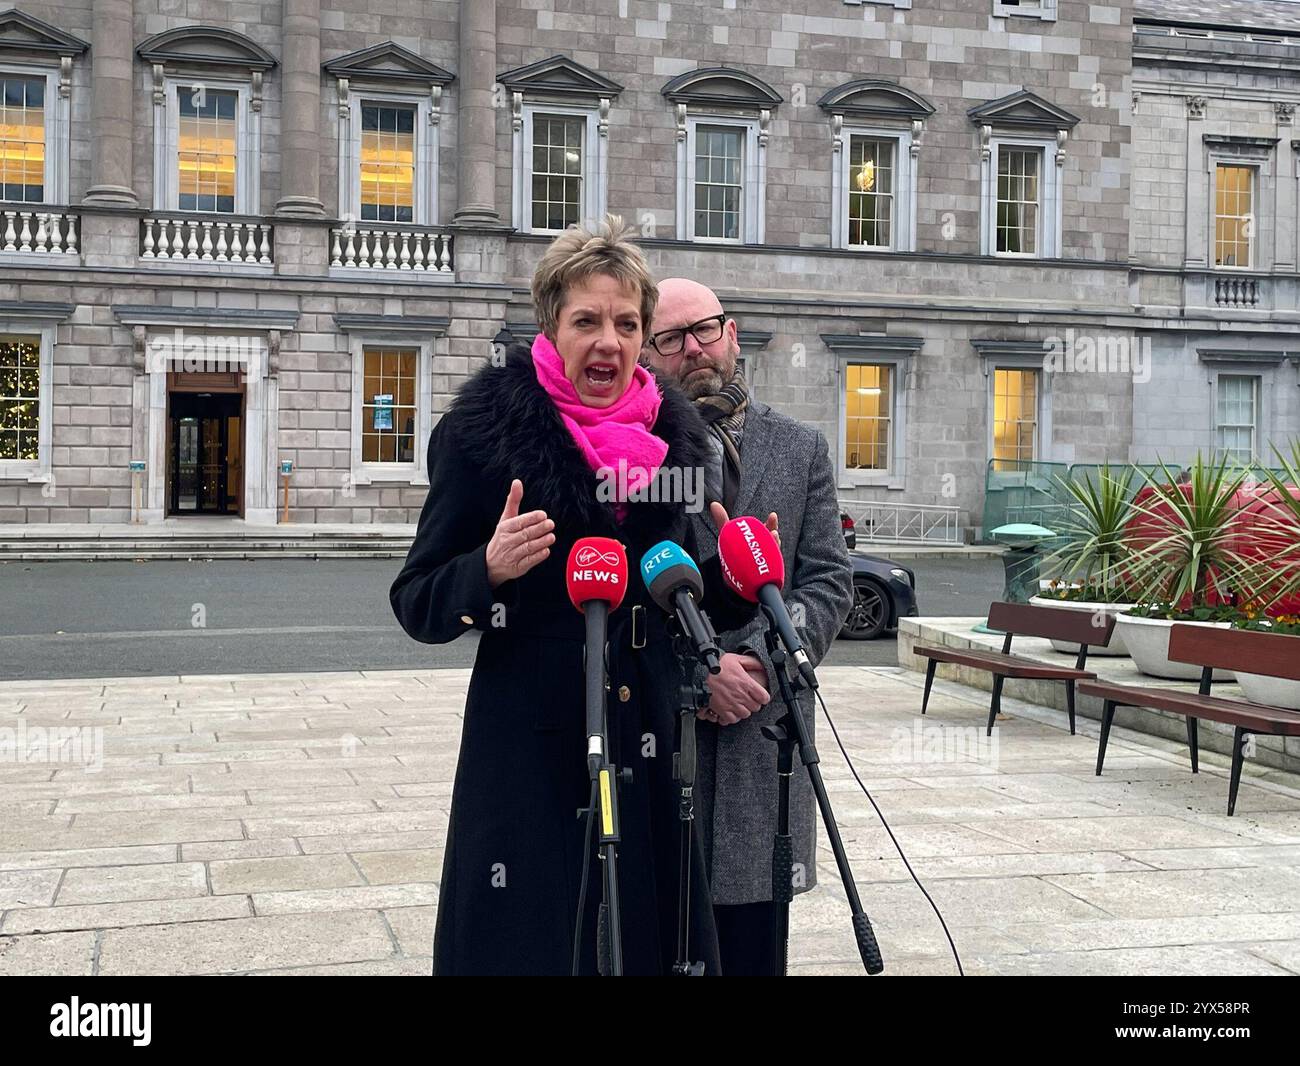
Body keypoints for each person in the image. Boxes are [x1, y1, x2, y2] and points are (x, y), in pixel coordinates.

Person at [390, 220, 752, 975]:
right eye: (587, 321)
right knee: (533, 940)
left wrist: (729, 582)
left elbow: (679, 599)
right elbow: (418, 600)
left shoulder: (680, 444)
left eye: (626, 324)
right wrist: (484, 569)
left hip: (645, 744)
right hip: (529, 748)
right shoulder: (482, 436)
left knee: (642, 938)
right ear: (550, 329)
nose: (609, 343)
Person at [643, 278, 854, 976]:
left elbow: (827, 579)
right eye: (669, 339)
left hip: (768, 741)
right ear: (650, 354)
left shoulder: (800, 446)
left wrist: (764, 663)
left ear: (731, 333)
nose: (691, 349)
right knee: (662, 936)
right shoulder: (634, 454)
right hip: (667, 738)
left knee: (755, 944)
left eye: (702, 329)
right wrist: (699, 673)